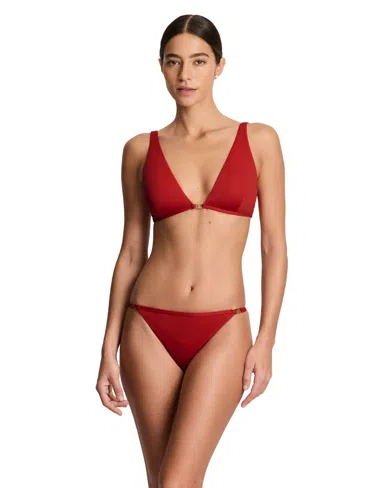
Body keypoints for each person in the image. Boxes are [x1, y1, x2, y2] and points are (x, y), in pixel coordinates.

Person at [96, 13, 288, 488]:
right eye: (173, 62)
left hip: (223, 327)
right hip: (148, 327)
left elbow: (273, 245)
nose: (185, 75)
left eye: (199, 61)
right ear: (161, 67)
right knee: (164, 482)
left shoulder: (259, 140)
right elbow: (131, 251)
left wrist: (266, 339)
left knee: (176, 481)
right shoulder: (140, 149)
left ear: (219, 65)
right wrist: (107, 347)